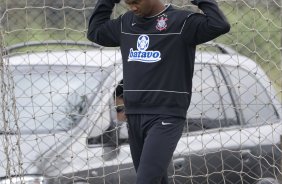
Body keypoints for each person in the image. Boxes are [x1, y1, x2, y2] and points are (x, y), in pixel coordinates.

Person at [87, 0, 230, 183]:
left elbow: (219, 25)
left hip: (166, 116)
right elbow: (95, 32)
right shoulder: (126, 23)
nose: (133, 7)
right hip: (135, 116)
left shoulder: (182, 22)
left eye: (136, 2)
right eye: (128, 3)